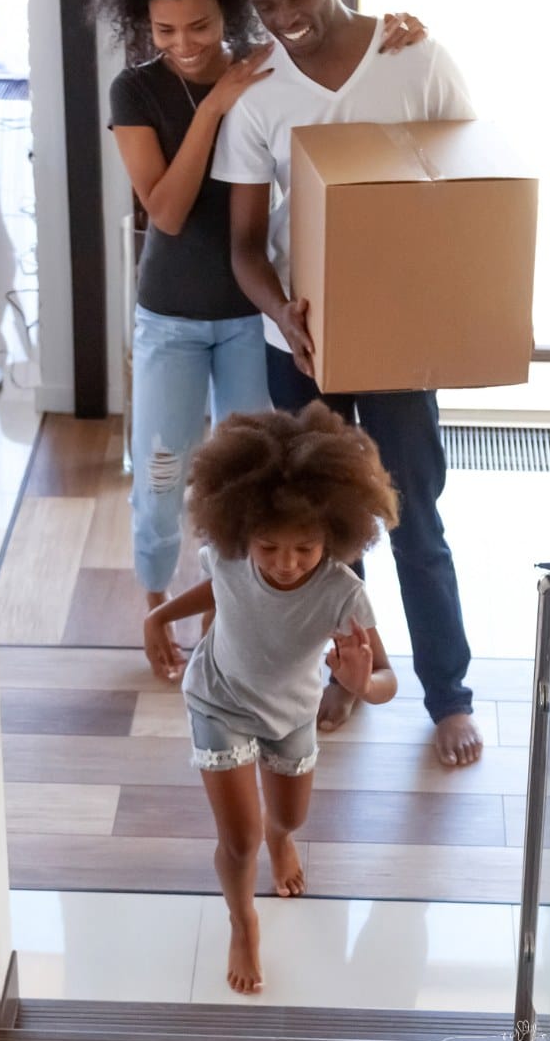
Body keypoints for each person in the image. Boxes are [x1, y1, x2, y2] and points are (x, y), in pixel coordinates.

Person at [97, 0, 426, 649]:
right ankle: (155, 609)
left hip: (253, 320)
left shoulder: (268, 65)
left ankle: (229, 616)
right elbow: (168, 212)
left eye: (201, 27)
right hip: (171, 321)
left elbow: (341, 53)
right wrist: (215, 104)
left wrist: (401, 29)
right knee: (159, 477)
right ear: (144, 26)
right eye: (164, 31)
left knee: (250, 488)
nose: (184, 45)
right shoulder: (135, 94)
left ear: (229, 12)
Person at [211, 0, 483, 767]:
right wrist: (284, 313)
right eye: (264, 5)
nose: (284, 15)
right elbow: (246, 248)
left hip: (396, 332)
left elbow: (473, 188)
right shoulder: (257, 92)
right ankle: (342, 674)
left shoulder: (414, 59)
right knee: (319, 526)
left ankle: (449, 696)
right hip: (300, 338)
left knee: (412, 516)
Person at [144, 404, 399, 993]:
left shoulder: (343, 591)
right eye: (268, 548)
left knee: (287, 819)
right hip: (219, 699)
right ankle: (243, 920)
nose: (285, 564)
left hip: (291, 712)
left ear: (334, 540)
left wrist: (360, 686)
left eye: (304, 549)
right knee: (239, 839)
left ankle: (283, 840)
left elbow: (387, 679)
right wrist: (160, 614)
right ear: (243, 534)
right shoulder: (233, 555)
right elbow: (221, 584)